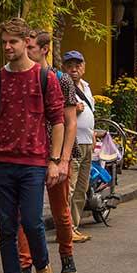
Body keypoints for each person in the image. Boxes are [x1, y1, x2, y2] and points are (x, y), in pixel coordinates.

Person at [0, 18, 64, 273]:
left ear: (27, 41)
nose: (7, 47)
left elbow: (58, 120)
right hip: (3, 162)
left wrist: (55, 161)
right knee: (6, 228)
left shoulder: (45, 78)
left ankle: (42, 265)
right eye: (4, 42)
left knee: (32, 221)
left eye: (12, 42)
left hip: (34, 162)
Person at [18, 30, 78, 273]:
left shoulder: (61, 79)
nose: (25, 52)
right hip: (28, 153)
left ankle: (66, 254)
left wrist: (63, 160)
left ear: (44, 49)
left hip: (55, 154)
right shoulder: (18, 77)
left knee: (60, 209)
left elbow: (70, 122)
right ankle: (25, 265)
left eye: (30, 47)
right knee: (24, 213)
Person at [63, 51, 93, 244]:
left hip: (87, 142)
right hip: (72, 144)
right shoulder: (62, 86)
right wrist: (74, 108)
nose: (74, 69)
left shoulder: (86, 87)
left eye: (77, 65)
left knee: (81, 188)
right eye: (70, 66)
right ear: (64, 68)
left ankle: (74, 226)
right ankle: (66, 229)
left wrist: (93, 137)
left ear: (83, 67)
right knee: (70, 188)